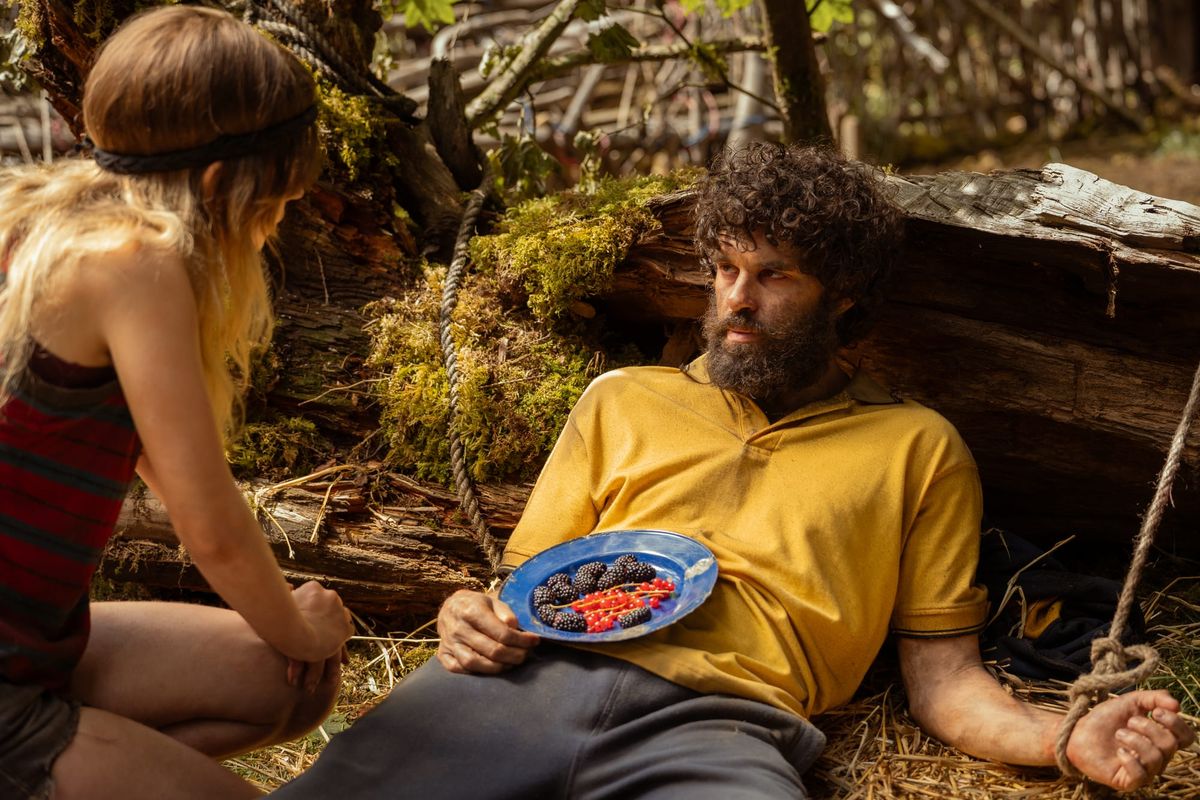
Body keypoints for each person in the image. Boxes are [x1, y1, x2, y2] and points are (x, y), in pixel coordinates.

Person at [272, 143, 1193, 799]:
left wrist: (1063, 739)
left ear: (846, 297)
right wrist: (465, 615)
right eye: (722, 270)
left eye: (773, 276)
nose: (736, 300)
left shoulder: (918, 451)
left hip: (720, 730)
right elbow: (520, 590)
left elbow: (946, 686)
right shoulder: (623, 400)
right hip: (524, 686)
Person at [0, 7, 355, 799]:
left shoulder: (49, 219)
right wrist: (298, 621)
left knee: (291, 678)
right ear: (220, 185)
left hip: (37, 648)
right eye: (276, 203)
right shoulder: (134, 260)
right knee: (295, 654)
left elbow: (169, 470)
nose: (274, 227)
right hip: (6, 691)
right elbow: (209, 529)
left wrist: (290, 635)